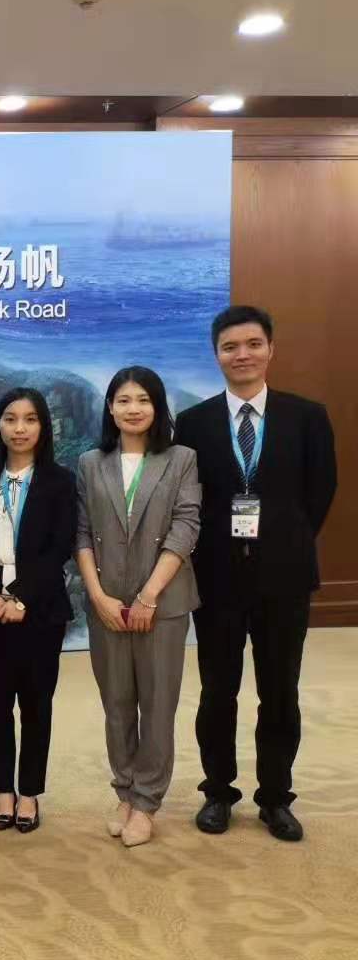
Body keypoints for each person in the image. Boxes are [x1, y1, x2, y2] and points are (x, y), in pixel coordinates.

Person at [176, 306, 337, 842]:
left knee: (280, 692)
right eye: (230, 347)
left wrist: (280, 541)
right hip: (217, 579)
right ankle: (218, 792)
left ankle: (275, 798)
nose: (241, 355)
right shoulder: (193, 422)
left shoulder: (307, 416)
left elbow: (320, 492)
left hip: (283, 579)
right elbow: (190, 500)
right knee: (217, 692)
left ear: (270, 349)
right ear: (216, 354)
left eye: (252, 344)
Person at [75, 366, 200, 848]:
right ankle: (124, 792)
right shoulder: (91, 462)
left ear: (157, 407)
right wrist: (97, 596)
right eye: (123, 400)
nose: (133, 409)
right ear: (110, 408)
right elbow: (82, 533)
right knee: (117, 705)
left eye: (143, 400)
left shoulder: (181, 458)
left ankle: (147, 801)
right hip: (106, 602)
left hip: (162, 603)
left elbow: (186, 527)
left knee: (158, 705)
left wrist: (149, 595)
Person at [0, 388, 77, 835]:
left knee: (36, 704)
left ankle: (30, 791)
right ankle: (2, 789)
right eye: (10, 419)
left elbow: (59, 547)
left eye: (30, 419)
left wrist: (22, 598)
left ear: (43, 427)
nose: (19, 428)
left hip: (41, 607)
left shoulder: (60, 481)